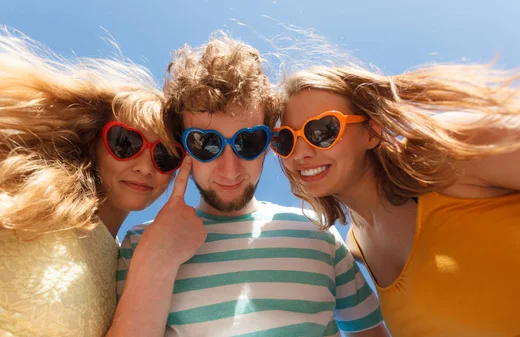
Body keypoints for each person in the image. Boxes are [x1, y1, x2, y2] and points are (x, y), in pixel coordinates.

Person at [0, 1, 183, 336]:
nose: (146, 167)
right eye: (126, 143)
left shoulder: (126, 267)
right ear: (95, 143)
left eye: (165, 156)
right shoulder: (24, 181)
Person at [109, 34, 389, 337]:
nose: (230, 170)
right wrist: (158, 260)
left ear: (269, 142)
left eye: (248, 142)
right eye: (205, 144)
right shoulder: (141, 244)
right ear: (182, 147)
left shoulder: (317, 233)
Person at [271, 63, 520, 337]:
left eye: (322, 131)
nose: (301, 153)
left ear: (372, 131)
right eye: (285, 140)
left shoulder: (443, 155)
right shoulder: (355, 249)